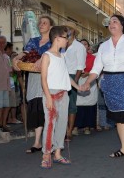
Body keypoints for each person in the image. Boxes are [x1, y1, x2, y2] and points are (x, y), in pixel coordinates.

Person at [82, 14, 124, 162]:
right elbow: (97, 68)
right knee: (119, 118)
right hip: (110, 83)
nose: (111, 24)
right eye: (109, 22)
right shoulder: (103, 46)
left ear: (122, 25)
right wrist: (87, 82)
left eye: (115, 21)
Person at [13, 15, 55, 153]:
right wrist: (16, 59)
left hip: (49, 78)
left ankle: (51, 141)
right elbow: (25, 53)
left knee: (47, 110)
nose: (41, 24)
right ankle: (37, 142)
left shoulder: (55, 41)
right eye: (40, 23)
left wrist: (43, 58)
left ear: (51, 27)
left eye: (44, 23)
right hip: (33, 78)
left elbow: (56, 56)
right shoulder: (33, 40)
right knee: (36, 108)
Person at [40, 26, 80, 168]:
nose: (67, 40)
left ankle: (57, 153)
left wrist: (78, 87)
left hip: (64, 95)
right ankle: (46, 155)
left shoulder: (62, 56)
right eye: (65, 37)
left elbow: (66, 77)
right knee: (50, 124)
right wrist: (49, 98)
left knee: (62, 124)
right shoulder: (46, 56)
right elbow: (43, 79)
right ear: (57, 39)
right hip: (51, 93)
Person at [63, 21, 86, 141]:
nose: (66, 30)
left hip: (72, 76)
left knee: (71, 105)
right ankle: (62, 129)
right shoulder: (61, 44)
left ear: (73, 31)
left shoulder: (79, 47)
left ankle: (69, 131)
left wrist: (75, 82)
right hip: (59, 76)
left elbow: (80, 66)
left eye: (68, 28)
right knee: (61, 104)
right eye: (65, 28)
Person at [73, 39, 97, 135]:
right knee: (77, 104)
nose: (83, 46)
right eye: (81, 44)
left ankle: (87, 126)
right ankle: (76, 126)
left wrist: (88, 73)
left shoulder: (93, 58)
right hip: (77, 81)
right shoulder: (74, 57)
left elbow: (97, 69)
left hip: (90, 81)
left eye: (85, 44)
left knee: (89, 105)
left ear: (88, 47)